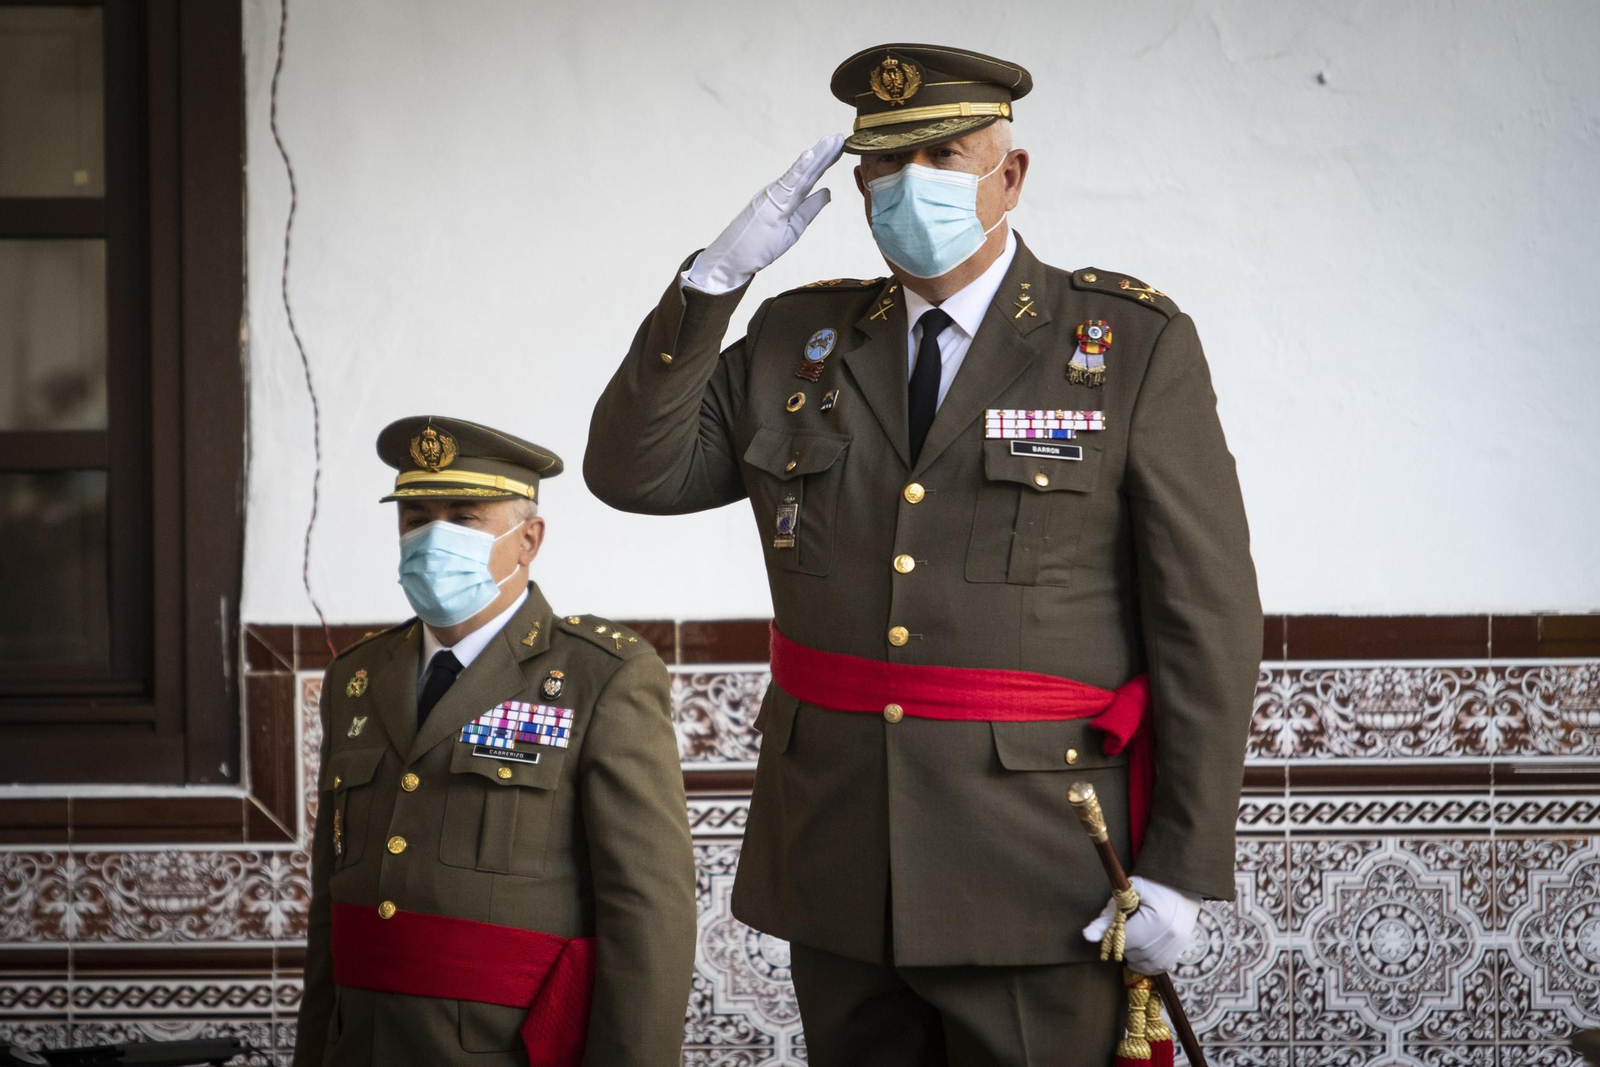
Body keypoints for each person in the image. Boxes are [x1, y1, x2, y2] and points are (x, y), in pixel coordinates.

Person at [586, 43, 1262, 1066]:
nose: (912, 188)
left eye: (945, 155)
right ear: (857, 188)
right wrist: (713, 279)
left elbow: (1204, 620)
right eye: (885, 167)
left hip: (1040, 863)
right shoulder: (793, 340)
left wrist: (1178, 862)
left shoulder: (1124, 345)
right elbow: (635, 471)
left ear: (1011, 174)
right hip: (840, 856)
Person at [294, 416, 695, 1067]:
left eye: (464, 517)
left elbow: (650, 916)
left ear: (528, 538)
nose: (431, 537)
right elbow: (329, 912)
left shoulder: (600, 677)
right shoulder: (357, 677)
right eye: (415, 516)